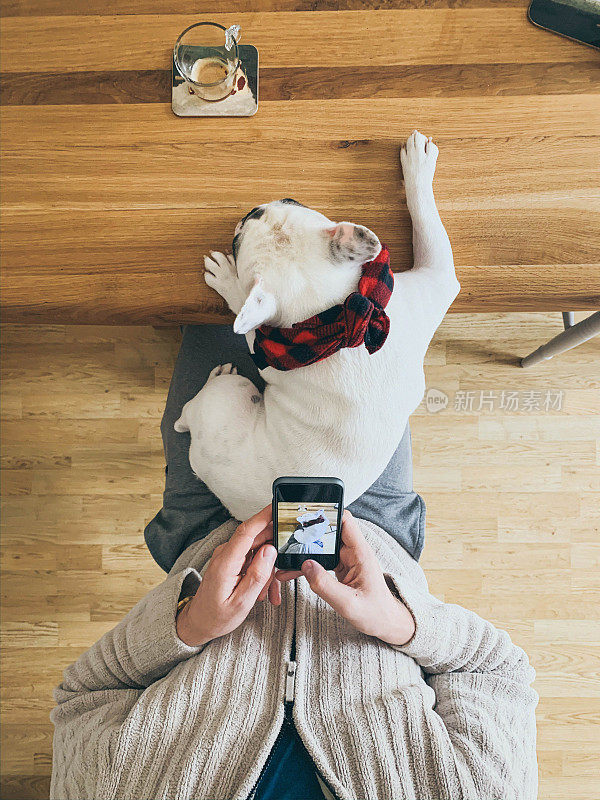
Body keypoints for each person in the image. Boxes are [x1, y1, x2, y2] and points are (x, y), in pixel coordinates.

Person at [50, 326, 538, 800]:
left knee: (222, 297)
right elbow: (498, 672)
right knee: (342, 309)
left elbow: (84, 694)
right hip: (368, 523)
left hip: (206, 524)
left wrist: (187, 624)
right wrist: (401, 620)